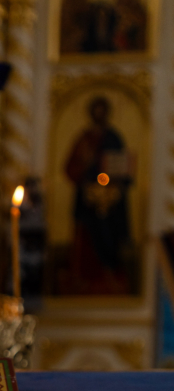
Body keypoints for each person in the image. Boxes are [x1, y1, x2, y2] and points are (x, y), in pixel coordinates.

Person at [64, 96, 135, 295]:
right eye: (96, 110)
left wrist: (111, 180)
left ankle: (111, 278)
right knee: (87, 237)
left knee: (109, 236)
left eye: (102, 110)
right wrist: (85, 166)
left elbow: (122, 168)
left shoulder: (113, 138)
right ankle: (83, 281)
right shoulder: (84, 139)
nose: (99, 114)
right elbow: (70, 168)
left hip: (110, 200)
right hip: (87, 199)